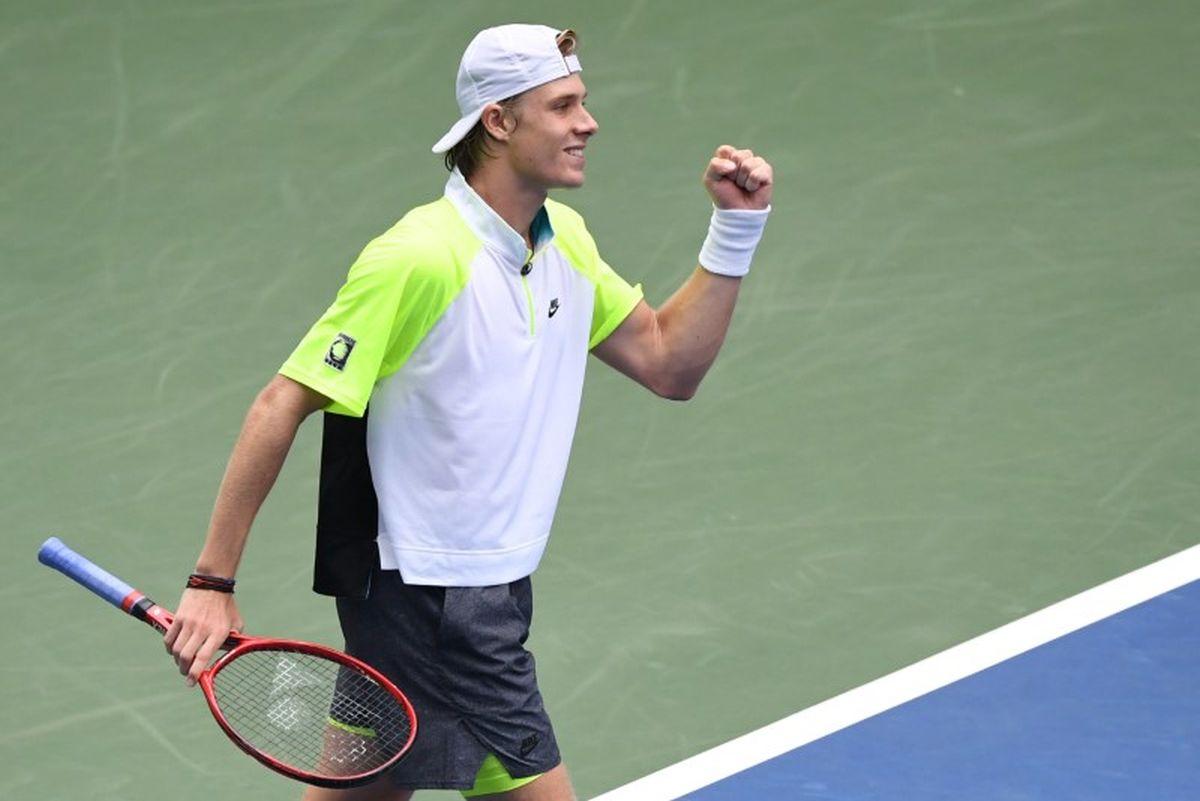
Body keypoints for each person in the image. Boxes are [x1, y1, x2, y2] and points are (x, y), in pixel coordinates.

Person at [164, 23, 772, 801]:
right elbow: (283, 399)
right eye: (563, 105)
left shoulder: (565, 245)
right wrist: (211, 579)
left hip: (481, 584)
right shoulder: (419, 257)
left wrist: (735, 229)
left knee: (363, 789)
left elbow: (668, 363)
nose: (588, 122)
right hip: (434, 595)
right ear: (498, 121)